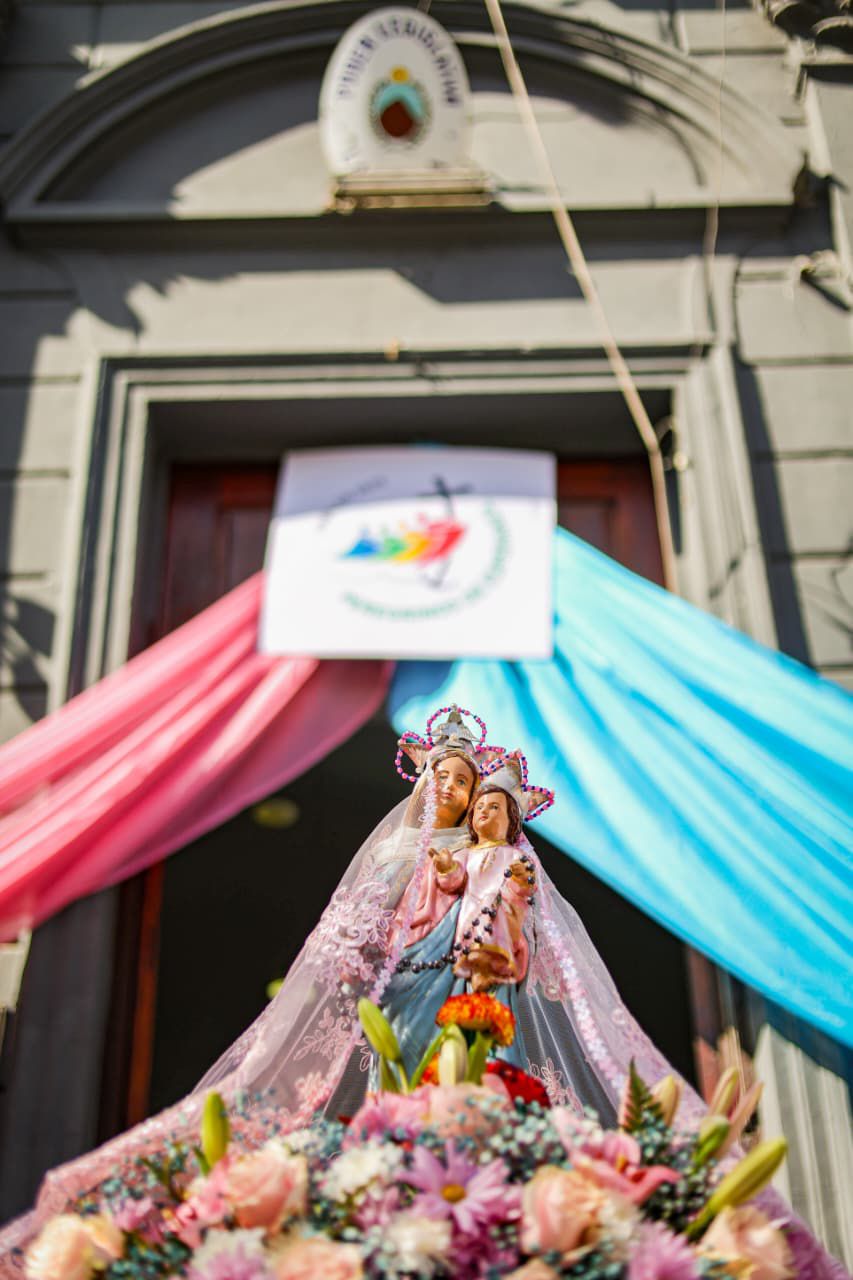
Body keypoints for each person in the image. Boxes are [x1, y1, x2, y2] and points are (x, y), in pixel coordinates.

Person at [0, 706, 846, 1280]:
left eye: (464, 785)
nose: (451, 792)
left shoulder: (499, 862)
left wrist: (489, 922)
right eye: (440, 778)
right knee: (394, 1079)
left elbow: (516, 927)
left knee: (474, 1078)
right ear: (422, 783)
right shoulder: (399, 852)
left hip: (469, 986)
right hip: (404, 983)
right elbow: (359, 934)